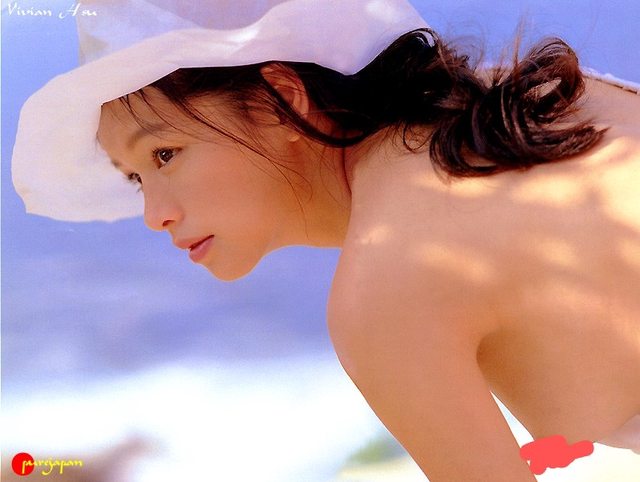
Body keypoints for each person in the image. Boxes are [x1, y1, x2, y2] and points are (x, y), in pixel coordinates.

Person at [10, 0, 640, 480]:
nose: (153, 215)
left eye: (165, 153)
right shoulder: (538, 98)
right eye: (136, 178)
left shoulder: (389, 285)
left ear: (281, 99)